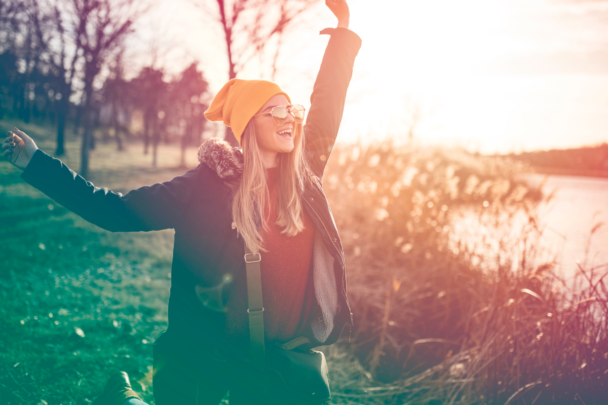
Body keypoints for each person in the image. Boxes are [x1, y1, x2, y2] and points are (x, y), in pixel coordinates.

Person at [2, 0, 361, 403]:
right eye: (271, 113)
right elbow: (114, 211)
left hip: (277, 363)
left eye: (288, 110)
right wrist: (35, 163)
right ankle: (122, 396)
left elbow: (328, 106)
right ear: (246, 127)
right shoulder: (205, 187)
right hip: (205, 355)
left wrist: (343, 30)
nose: (287, 119)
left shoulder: (304, 175)